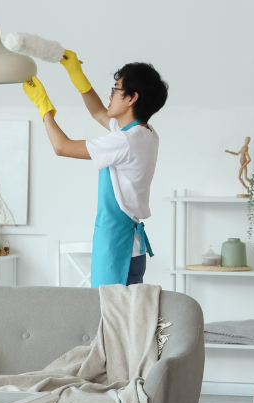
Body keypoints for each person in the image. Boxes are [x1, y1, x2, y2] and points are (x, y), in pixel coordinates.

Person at [22, 54, 168, 287]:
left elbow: (62, 147)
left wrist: (44, 108)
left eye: (116, 89)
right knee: (120, 317)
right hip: (126, 245)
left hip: (117, 248)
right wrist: (76, 76)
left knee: (111, 318)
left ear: (132, 98)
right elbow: (99, 112)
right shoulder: (145, 133)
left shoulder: (125, 141)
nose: (110, 96)